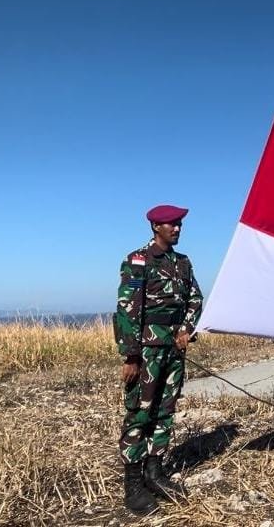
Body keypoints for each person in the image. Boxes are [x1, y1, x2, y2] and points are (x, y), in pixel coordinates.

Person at [114, 204, 204, 515]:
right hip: (147, 351)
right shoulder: (138, 261)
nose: (177, 229)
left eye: (178, 224)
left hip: (173, 350)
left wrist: (185, 329)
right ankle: (133, 486)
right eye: (170, 225)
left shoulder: (183, 263)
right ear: (155, 227)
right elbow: (128, 309)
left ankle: (155, 473)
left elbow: (195, 298)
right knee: (139, 414)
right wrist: (131, 355)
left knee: (165, 411)